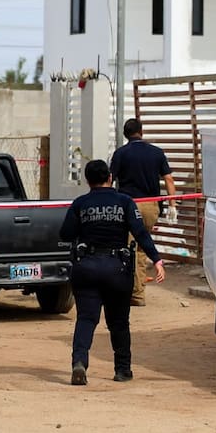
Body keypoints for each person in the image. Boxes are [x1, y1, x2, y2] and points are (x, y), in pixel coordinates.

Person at [60, 159, 165, 386]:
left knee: (86, 319)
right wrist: (156, 259)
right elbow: (140, 233)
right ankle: (122, 370)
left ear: (88, 181)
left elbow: (65, 233)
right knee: (118, 322)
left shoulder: (80, 203)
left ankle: (79, 362)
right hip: (117, 268)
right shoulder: (125, 202)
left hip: (86, 267)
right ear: (110, 178)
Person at [108, 118, 177, 307]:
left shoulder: (120, 154)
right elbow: (169, 179)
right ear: (142, 131)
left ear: (125, 134)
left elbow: (110, 179)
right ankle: (136, 294)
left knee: (128, 249)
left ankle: (130, 293)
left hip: (129, 205)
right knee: (140, 248)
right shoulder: (157, 152)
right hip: (151, 206)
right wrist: (172, 205)